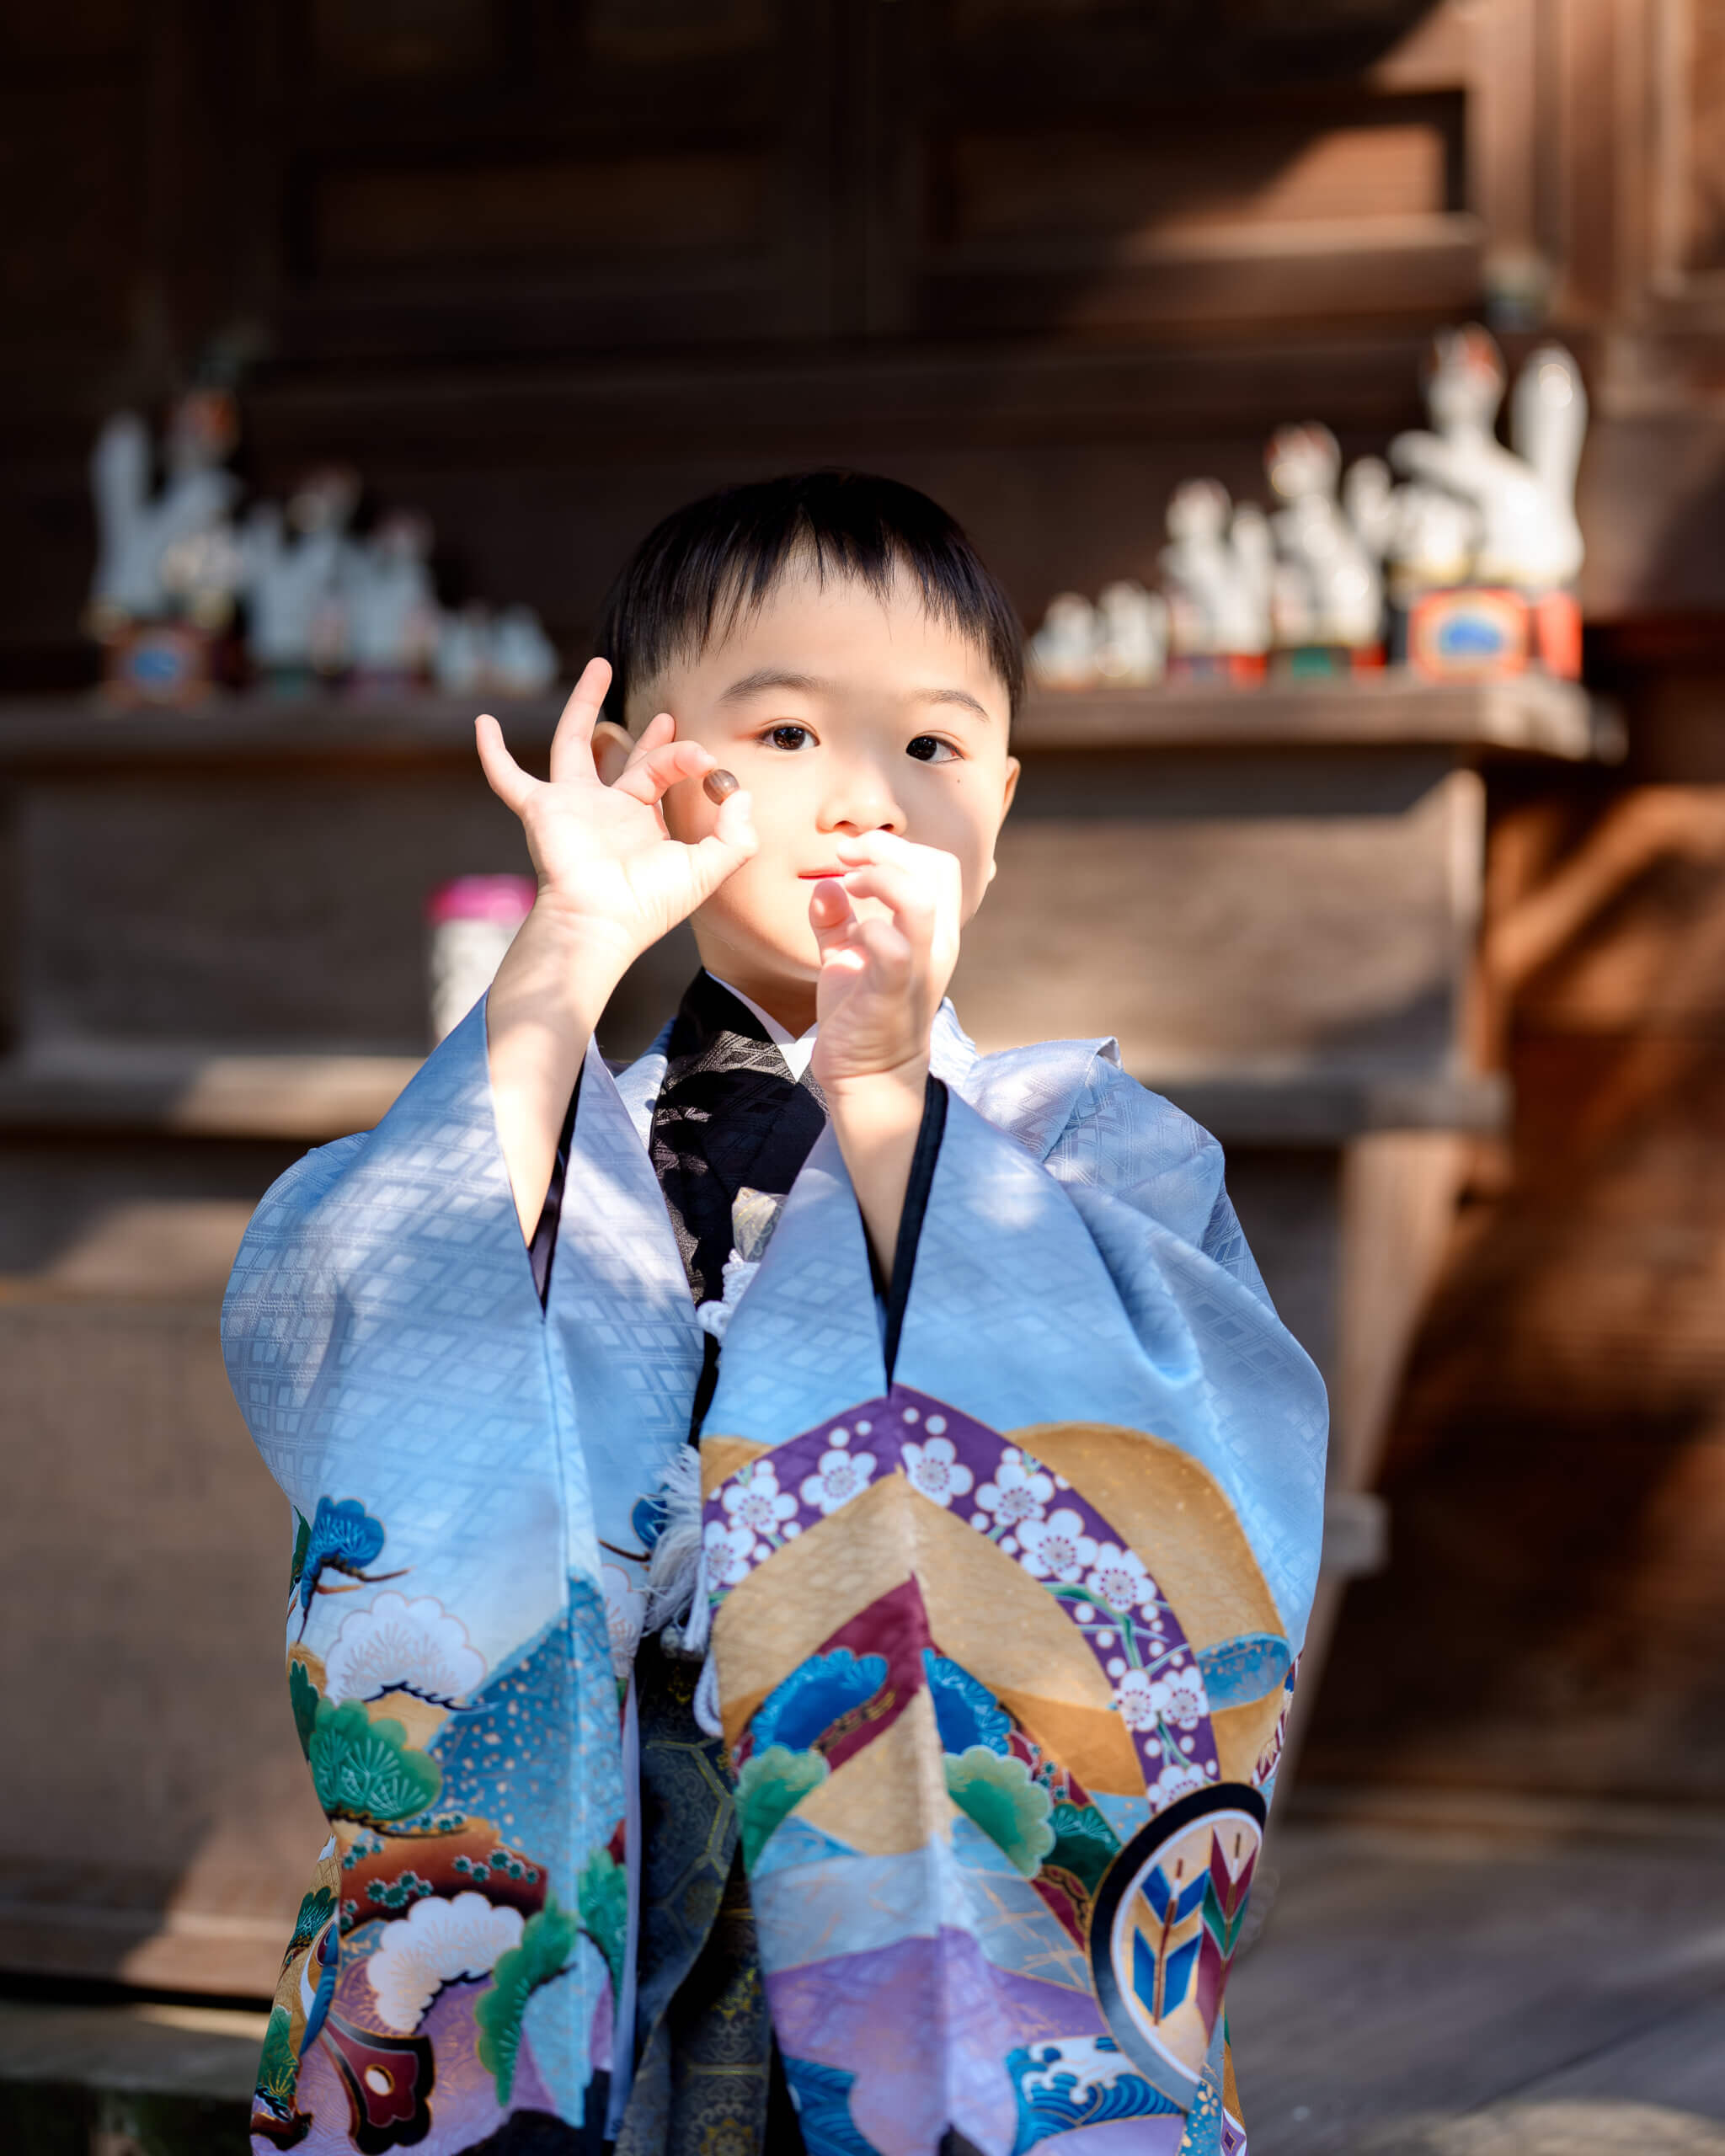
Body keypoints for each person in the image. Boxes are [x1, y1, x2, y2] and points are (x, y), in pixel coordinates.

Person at [224, 472, 1327, 2156]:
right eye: (793, 733)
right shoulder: (565, 1107)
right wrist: (573, 939)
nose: (866, 799)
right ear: (655, 763)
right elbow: (380, 1301)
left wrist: (887, 1093)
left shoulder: (1087, 1146)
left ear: (1005, 799)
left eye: (934, 748)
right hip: (606, 1813)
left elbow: (1173, 1433)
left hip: (923, 1843)